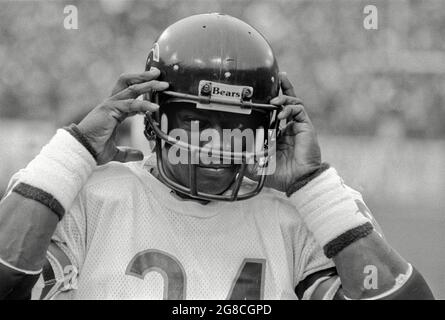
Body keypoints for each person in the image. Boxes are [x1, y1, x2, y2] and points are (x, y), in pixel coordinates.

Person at [0, 13, 434, 300]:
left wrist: (313, 186)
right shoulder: (95, 199)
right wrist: (73, 151)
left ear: (271, 127)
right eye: (195, 121)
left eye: (238, 125)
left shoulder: (304, 213)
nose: (217, 143)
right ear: (153, 115)